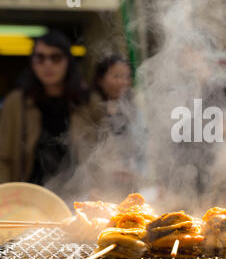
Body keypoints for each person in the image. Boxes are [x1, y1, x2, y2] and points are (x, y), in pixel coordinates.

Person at [0, 30, 88, 187]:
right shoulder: (16, 102)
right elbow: (4, 157)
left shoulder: (85, 101)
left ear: (68, 61)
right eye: (40, 58)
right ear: (32, 62)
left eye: (55, 57)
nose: (48, 64)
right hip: (29, 194)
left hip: (77, 192)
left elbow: (99, 150)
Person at [69, 54, 134, 202]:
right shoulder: (85, 107)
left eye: (126, 76)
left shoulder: (128, 108)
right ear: (100, 79)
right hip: (93, 187)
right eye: (116, 76)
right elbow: (82, 148)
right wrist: (108, 169)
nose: (123, 82)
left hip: (125, 186)